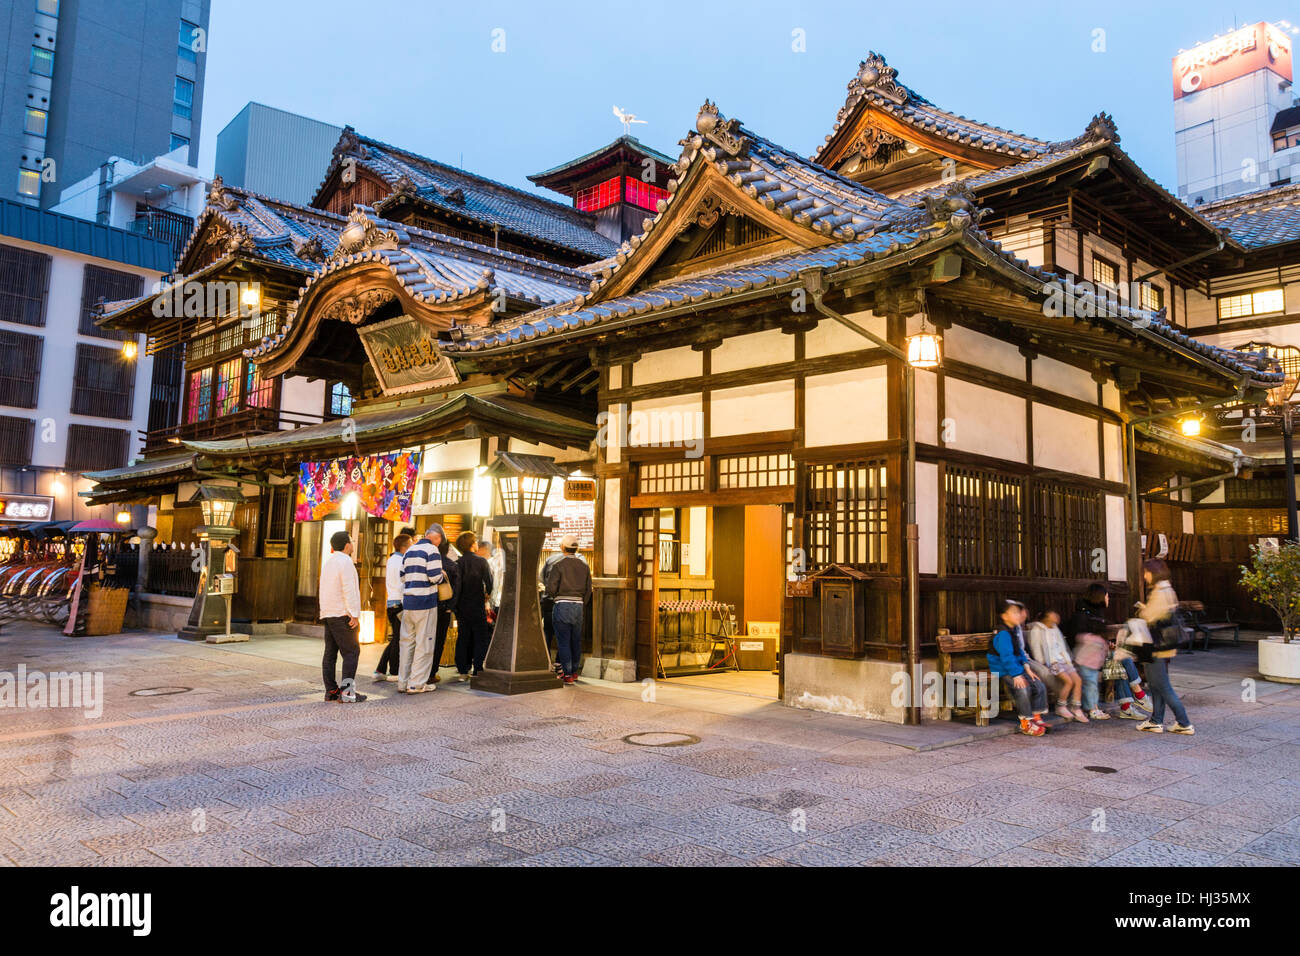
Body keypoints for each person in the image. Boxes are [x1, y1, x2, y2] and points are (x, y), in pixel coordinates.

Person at [1134, 560, 1194, 735]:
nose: (1145, 576)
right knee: (1155, 685)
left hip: (1156, 647)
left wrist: (1142, 610)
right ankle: (1156, 720)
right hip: (1164, 646)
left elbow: (1150, 617)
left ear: (1154, 572)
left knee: (1163, 686)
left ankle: (1184, 722)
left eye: (1146, 572)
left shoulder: (1160, 592)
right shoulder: (1168, 589)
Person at [987, 598, 1048, 736]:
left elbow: (1019, 651)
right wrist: (1016, 675)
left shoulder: (1013, 630)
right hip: (1002, 668)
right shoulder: (1002, 633)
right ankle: (1026, 722)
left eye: (1018, 613)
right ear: (1004, 616)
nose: (1018, 615)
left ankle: (1036, 718)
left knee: (1038, 685)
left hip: (1016, 666)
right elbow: (1006, 657)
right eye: (1014, 613)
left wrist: (1027, 668)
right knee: (1023, 687)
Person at [319, 529, 366, 703]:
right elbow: (349, 589)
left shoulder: (329, 562)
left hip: (328, 612)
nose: (353, 544)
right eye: (351, 541)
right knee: (352, 651)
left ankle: (331, 690)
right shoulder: (346, 562)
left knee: (330, 653)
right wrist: (354, 613)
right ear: (347, 545)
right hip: (342, 613)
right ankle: (347, 692)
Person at [397, 524, 445, 694]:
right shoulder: (432, 550)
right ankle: (416, 684)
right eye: (440, 540)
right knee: (424, 643)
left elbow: (402, 577)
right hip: (425, 602)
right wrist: (442, 576)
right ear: (437, 537)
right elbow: (434, 576)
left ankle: (402, 682)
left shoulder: (409, 551)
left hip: (408, 602)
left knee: (407, 644)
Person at [544, 534, 591, 684]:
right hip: (578, 607)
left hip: (562, 605)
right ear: (576, 548)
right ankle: (575, 672)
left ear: (562, 548)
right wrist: (582, 602)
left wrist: (556, 595)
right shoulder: (584, 566)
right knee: (575, 640)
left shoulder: (558, 565)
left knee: (563, 641)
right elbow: (588, 589)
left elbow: (550, 589)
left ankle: (567, 674)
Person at [1026, 610, 1087, 722]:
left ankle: (1075, 707)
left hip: (1063, 660)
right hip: (1052, 662)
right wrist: (1042, 662)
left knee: (1078, 680)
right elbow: (1036, 648)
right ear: (1046, 618)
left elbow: (1062, 647)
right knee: (1069, 681)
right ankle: (1061, 706)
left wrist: (1068, 660)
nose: (1056, 617)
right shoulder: (1037, 630)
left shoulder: (1055, 628)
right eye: (1053, 616)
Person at [453, 531, 494, 680]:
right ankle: (477, 669)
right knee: (480, 637)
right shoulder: (482, 562)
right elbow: (489, 582)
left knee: (463, 637)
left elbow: (455, 586)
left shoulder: (458, 563)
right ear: (472, 545)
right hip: (477, 604)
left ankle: (463, 671)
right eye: (475, 541)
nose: (477, 544)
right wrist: (487, 594)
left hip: (462, 607)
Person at [373, 533, 411, 682]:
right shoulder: (400, 561)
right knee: (398, 638)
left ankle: (380, 669)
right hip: (398, 603)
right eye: (410, 544)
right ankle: (394, 671)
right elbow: (402, 584)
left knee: (396, 637)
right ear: (404, 547)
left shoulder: (392, 559)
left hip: (392, 602)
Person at [429, 526, 459, 683]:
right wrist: (450, 608)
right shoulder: (451, 565)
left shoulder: (425, 560)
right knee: (438, 640)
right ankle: (432, 673)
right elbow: (456, 589)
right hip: (443, 608)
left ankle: (421, 672)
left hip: (426, 606)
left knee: (424, 640)